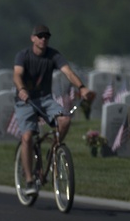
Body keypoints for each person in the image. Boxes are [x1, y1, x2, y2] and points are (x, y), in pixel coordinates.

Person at [13, 24, 93, 196]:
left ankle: (54, 149)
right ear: (33, 38)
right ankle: (28, 180)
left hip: (45, 100)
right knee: (27, 136)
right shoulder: (23, 56)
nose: (43, 39)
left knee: (65, 119)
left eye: (46, 37)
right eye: (40, 36)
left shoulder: (53, 55)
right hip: (25, 100)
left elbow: (68, 73)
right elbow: (17, 74)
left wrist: (82, 88)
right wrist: (21, 89)